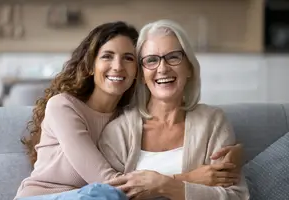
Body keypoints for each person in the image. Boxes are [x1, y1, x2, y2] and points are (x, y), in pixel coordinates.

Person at [15, 21, 243, 200]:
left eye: (128, 58)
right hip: (46, 197)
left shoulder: (121, 120)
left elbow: (237, 193)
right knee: (106, 195)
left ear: (137, 71)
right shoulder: (64, 107)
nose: (118, 66)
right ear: (89, 66)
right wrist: (188, 179)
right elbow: (110, 185)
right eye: (107, 56)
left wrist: (240, 153)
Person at [98, 19, 250, 200]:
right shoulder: (118, 132)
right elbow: (107, 195)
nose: (162, 68)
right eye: (151, 60)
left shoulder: (213, 122)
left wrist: (165, 185)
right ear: (141, 75)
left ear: (189, 68)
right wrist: (186, 181)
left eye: (173, 57)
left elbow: (236, 196)